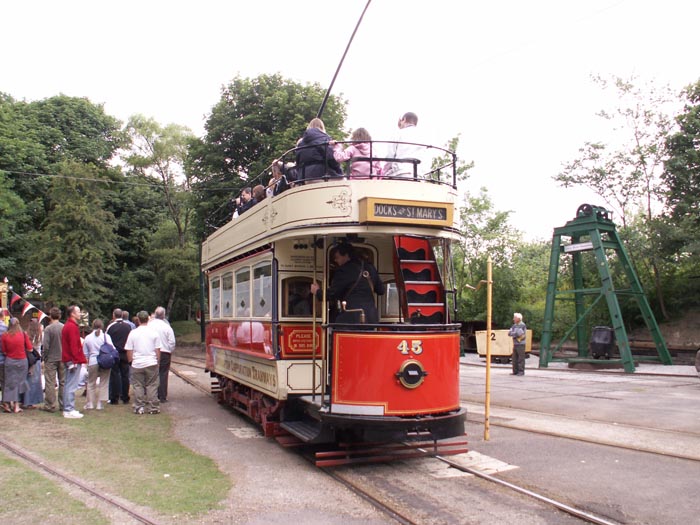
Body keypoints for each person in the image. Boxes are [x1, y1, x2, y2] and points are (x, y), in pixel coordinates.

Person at [310, 243, 385, 324]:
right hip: (371, 318)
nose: (335, 260)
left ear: (346, 255)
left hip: (351, 317)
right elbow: (381, 290)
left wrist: (317, 291)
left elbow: (332, 294)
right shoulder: (370, 268)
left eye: (337, 257)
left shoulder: (343, 271)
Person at [125, 310, 161, 415]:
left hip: (137, 363)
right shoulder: (154, 333)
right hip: (151, 362)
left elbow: (129, 349)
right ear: (148, 320)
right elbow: (157, 349)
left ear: (138, 320)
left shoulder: (133, 333)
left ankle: (139, 406)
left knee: (138, 385)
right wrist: (157, 361)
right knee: (152, 385)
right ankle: (153, 407)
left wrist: (130, 361)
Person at [295, 118, 343, 183]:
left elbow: (298, 162)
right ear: (322, 127)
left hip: (303, 178)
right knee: (345, 181)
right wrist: (338, 170)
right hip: (321, 174)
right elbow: (331, 158)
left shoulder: (300, 144)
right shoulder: (323, 139)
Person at [62, 305, 87, 419]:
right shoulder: (71, 327)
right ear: (72, 313)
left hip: (70, 359)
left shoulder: (69, 326)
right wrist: (76, 359)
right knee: (71, 385)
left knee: (69, 384)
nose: (80, 313)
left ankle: (68, 407)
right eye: (78, 311)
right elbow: (73, 345)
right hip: (72, 360)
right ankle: (68, 409)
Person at [383, 112, 426, 178]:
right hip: (419, 174)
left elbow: (390, 157)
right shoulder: (423, 136)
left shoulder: (397, 133)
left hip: (400, 173)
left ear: (404, 119)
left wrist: (383, 173)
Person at [1, 317, 31, 413]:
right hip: (22, 360)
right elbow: (30, 348)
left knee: (9, 383)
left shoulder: (4, 336)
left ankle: (7, 403)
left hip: (10, 361)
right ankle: (16, 405)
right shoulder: (23, 334)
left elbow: (4, 351)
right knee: (20, 383)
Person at [82, 319, 113, 410]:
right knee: (103, 382)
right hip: (105, 361)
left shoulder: (88, 338)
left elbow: (85, 353)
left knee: (91, 383)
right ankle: (100, 403)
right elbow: (112, 348)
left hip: (93, 361)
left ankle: (90, 403)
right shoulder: (106, 337)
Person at [149, 306, 176, 403]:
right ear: (163, 315)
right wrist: (169, 350)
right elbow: (172, 342)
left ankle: (152, 395)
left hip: (151, 352)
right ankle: (163, 396)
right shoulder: (167, 327)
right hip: (164, 352)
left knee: (151, 374)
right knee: (163, 374)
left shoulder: (149, 325)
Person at [106, 308, 132, 405]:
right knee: (125, 375)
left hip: (115, 353)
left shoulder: (110, 327)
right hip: (125, 353)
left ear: (113, 315)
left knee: (115, 375)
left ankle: (114, 397)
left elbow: (107, 340)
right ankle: (125, 397)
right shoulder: (128, 327)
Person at [42, 307, 65, 413]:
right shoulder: (64, 327)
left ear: (50, 316)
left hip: (51, 358)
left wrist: (44, 357)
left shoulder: (48, 329)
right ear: (59, 316)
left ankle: (50, 405)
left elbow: (45, 346)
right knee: (63, 382)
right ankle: (63, 404)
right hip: (63, 358)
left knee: (50, 382)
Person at [22, 318, 44, 408]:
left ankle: (24, 400)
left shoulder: (26, 334)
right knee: (34, 382)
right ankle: (32, 401)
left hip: (28, 359)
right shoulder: (40, 335)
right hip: (36, 359)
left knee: (26, 380)